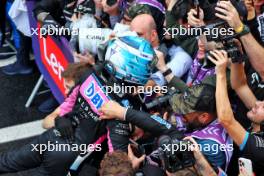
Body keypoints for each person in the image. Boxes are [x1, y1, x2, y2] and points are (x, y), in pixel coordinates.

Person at [0, 35, 156, 176]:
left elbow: (64, 108)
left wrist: (58, 120)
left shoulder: (90, 73)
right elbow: (117, 161)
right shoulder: (121, 109)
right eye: (147, 66)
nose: (149, 70)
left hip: (51, 137)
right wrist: (133, 168)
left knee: (6, 162)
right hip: (67, 155)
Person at [99, 82, 232, 172]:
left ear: (204, 116)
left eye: (185, 111)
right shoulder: (215, 118)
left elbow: (169, 133)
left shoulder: (211, 147)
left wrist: (138, 165)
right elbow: (168, 129)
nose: (180, 113)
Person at [208, 49, 264, 175]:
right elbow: (240, 85)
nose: (257, 103)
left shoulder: (261, 148)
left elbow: (226, 120)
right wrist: (236, 55)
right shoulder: (258, 119)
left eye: (263, 107)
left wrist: (221, 74)